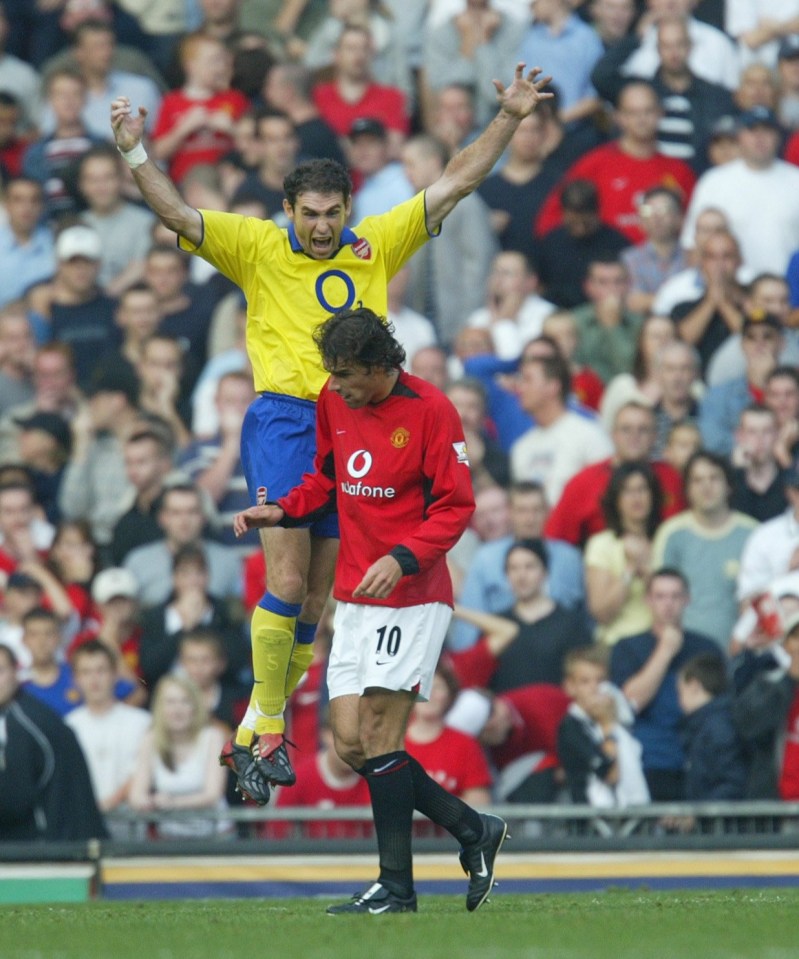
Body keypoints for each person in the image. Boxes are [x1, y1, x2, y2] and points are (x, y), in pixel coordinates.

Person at [111, 60, 554, 803]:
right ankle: (271, 723)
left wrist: (508, 116)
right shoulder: (255, 246)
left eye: (332, 212)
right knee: (285, 582)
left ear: (348, 206)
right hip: (287, 418)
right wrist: (133, 152)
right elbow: (179, 215)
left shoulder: (373, 243)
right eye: (309, 213)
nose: (321, 226)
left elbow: (454, 182)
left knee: (314, 601)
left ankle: (256, 730)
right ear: (288, 208)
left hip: (351, 423)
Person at [234, 307, 509, 914]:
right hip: (355, 597)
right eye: (331, 374)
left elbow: (455, 506)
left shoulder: (432, 410)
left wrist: (405, 558)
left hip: (411, 596)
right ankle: (472, 830)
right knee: (351, 746)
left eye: (346, 375)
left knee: (382, 736)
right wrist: (280, 509)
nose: (334, 387)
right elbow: (327, 480)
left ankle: (396, 887)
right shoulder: (337, 405)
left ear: (382, 367)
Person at [609, 567, 720, 801]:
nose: (668, 604)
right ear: (647, 600)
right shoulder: (627, 647)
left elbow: (719, 706)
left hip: (700, 757)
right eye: (660, 596)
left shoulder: (707, 647)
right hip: (650, 758)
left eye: (675, 596)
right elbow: (630, 702)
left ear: (687, 600)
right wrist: (665, 651)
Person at [0, 642, 107, 841]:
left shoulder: (26, 722)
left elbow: (15, 798)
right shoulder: (23, 714)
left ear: (16, 672)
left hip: (51, 844)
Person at [652, 450, 757, 651]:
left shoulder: (753, 534)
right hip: (683, 652)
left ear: (728, 486)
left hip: (743, 650)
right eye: (697, 480)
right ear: (687, 490)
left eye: (714, 478)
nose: (706, 486)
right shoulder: (671, 534)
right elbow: (659, 599)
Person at [127, 673, 232, 839]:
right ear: (160, 708)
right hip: (169, 837)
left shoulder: (213, 736)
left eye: (185, 701)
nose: (178, 709)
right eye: (170, 702)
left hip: (216, 836)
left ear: (195, 706)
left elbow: (213, 794)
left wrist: (171, 803)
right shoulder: (150, 739)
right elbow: (136, 796)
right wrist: (149, 801)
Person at [65, 639, 151, 832]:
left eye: (101, 670)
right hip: (84, 827)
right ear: (75, 679)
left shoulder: (142, 722)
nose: (94, 679)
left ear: (115, 674)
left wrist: (111, 802)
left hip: (132, 829)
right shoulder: (68, 726)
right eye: (86, 672)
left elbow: (142, 771)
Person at [557, 645, 649, 807]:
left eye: (600, 680)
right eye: (585, 682)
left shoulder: (622, 718)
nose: (594, 688)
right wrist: (607, 724)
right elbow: (611, 775)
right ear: (570, 687)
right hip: (589, 823)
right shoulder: (571, 728)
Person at [585, 462, 661, 646]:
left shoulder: (667, 538)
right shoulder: (602, 544)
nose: (636, 498)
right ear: (616, 500)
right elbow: (602, 613)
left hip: (661, 640)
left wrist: (647, 574)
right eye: (627, 491)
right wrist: (630, 569)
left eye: (642, 489)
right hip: (617, 643)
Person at [676, 651, 747, 801]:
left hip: (717, 822)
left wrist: (698, 814)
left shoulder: (718, 728)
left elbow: (733, 782)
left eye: (680, 692)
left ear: (694, 686)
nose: (679, 702)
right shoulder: (707, 725)